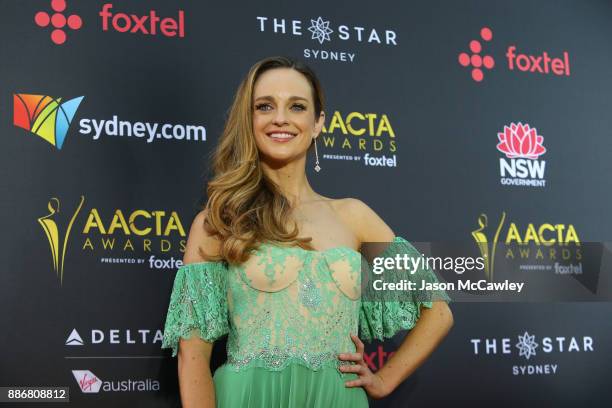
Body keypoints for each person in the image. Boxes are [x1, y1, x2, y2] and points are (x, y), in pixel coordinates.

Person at [161, 56, 453, 407]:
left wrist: (384, 379)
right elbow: (192, 354)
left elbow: (437, 311)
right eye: (265, 106)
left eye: (296, 106)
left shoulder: (354, 216)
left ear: (317, 123)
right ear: (249, 119)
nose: (280, 118)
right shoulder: (220, 220)